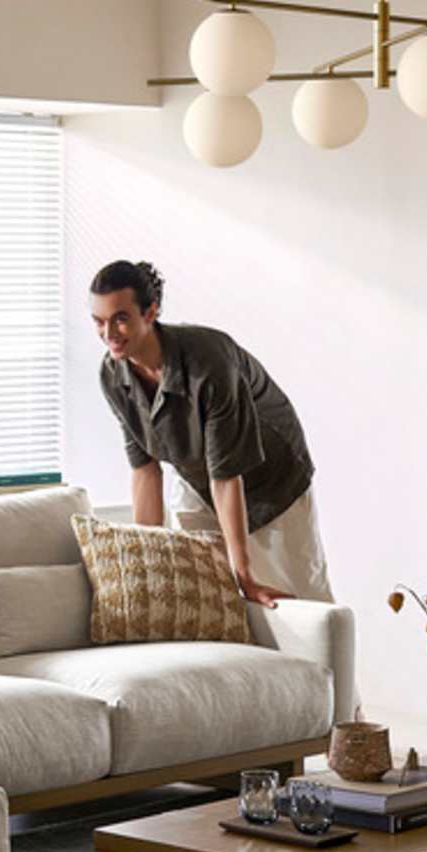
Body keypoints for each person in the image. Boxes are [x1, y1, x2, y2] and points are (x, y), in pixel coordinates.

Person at [89, 260, 332, 607]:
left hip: (274, 480)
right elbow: (145, 470)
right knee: (204, 598)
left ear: (151, 312)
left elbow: (227, 476)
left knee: (301, 596)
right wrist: (148, 564)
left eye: (121, 318)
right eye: (99, 321)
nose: (109, 333)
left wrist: (244, 574)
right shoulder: (112, 375)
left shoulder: (209, 362)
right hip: (197, 479)